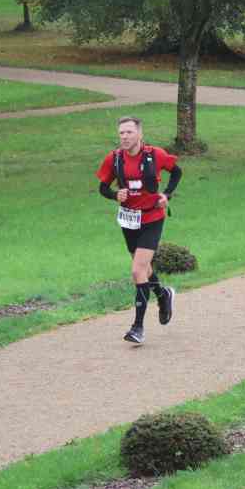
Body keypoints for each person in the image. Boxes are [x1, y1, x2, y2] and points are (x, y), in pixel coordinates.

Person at [96, 116, 183, 344]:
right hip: (129, 220)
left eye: (129, 132)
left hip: (152, 217)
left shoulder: (155, 155)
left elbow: (177, 172)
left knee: (137, 271)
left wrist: (166, 194)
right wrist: (115, 194)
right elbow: (102, 187)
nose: (124, 137)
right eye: (121, 133)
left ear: (139, 134)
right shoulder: (114, 159)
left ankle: (138, 327)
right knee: (144, 269)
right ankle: (163, 296)